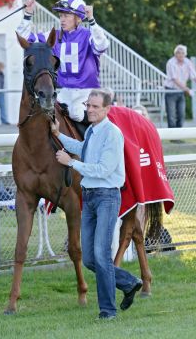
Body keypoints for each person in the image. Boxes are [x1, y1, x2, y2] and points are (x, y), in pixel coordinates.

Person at [50, 89, 142, 320]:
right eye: (88, 105)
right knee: (90, 259)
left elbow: (104, 169)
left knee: (101, 255)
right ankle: (129, 282)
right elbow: (83, 150)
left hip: (107, 197)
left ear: (107, 109)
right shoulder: (91, 130)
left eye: (95, 107)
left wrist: (71, 163)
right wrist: (58, 134)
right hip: (90, 197)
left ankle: (108, 311)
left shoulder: (112, 134)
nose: (90, 110)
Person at [16, 0, 109, 123]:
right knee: (48, 113)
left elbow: (102, 45)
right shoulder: (54, 36)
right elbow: (24, 39)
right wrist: (28, 13)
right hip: (65, 91)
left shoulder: (88, 35)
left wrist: (91, 20)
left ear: (78, 18)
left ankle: (93, 137)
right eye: (61, 16)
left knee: (76, 113)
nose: (62, 20)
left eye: (66, 16)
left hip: (86, 90)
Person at [164, 44, 196, 128]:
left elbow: (194, 76)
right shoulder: (171, 62)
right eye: (178, 52)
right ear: (175, 54)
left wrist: (186, 89)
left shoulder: (188, 62)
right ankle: (172, 136)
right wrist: (187, 89)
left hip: (181, 91)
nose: (180, 54)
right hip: (171, 90)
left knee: (181, 114)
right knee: (171, 115)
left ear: (185, 54)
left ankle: (179, 135)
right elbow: (175, 79)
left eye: (182, 53)